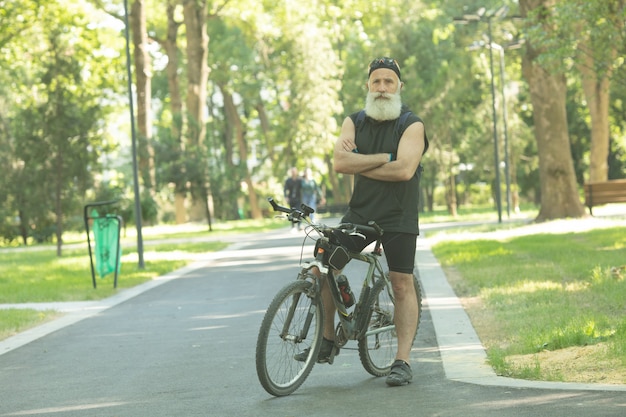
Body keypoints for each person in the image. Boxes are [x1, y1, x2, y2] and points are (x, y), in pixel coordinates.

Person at [302, 57, 429, 387]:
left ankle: (402, 361)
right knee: (326, 262)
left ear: (400, 87)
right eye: (377, 82)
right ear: (368, 87)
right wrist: (384, 158)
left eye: (389, 82)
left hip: (399, 215)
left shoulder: (412, 125)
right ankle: (328, 339)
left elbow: (404, 171)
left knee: (401, 283)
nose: (383, 88)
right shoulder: (353, 121)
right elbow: (341, 163)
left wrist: (361, 163)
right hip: (361, 213)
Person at [283, 167, 303, 231]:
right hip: (291, 199)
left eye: (295, 171)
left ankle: (299, 225)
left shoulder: (300, 180)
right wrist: (286, 197)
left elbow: (304, 187)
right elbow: (285, 189)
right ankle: (293, 226)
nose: (294, 173)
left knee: (299, 211)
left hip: (298, 199)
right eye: (292, 171)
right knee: (292, 212)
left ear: (296, 172)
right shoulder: (288, 180)